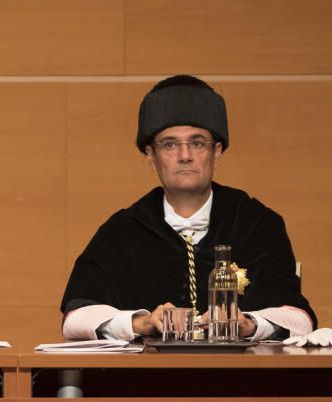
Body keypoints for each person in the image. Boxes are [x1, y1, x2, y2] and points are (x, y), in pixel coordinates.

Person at [61, 75, 315, 341]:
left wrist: (251, 324)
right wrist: (140, 321)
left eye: (197, 143)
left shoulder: (257, 224)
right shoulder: (123, 231)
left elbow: (300, 318)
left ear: (216, 153)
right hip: (145, 379)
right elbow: (76, 317)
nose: (185, 155)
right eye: (170, 144)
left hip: (242, 378)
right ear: (151, 156)